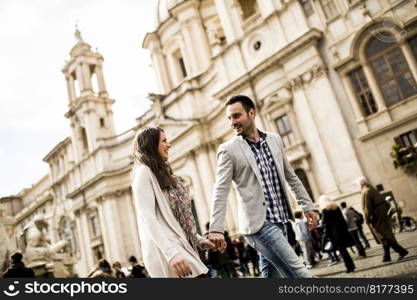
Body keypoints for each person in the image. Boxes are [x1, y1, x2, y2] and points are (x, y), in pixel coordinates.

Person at [208, 95, 318, 278]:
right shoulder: (228, 149)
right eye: (229, 118)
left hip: (281, 220)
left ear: (252, 113)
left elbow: (291, 176)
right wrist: (216, 228)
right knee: (299, 273)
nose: (232, 123)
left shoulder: (274, 140)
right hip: (259, 225)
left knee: (270, 276)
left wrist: (308, 206)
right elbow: (220, 190)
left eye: (236, 116)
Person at [131, 127, 215, 278]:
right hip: (168, 252)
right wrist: (171, 254)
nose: (168, 145)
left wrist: (199, 240)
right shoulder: (143, 172)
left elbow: (174, 220)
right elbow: (147, 216)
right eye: (163, 141)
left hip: (178, 246)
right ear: (151, 145)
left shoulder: (161, 172)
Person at [357, 177, 408, 262]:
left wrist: (367, 218)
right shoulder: (372, 189)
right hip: (382, 213)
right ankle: (386, 256)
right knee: (384, 234)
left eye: (358, 185)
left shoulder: (365, 192)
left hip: (376, 215)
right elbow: (385, 202)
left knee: (382, 234)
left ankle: (401, 251)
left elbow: (367, 207)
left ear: (361, 184)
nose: (358, 186)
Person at [319, 195, 355, 273]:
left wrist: (326, 234)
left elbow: (326, 224)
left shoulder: (325, 210)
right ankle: (351, 266)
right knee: (344, 250)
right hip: (342, 231)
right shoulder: (336, 207)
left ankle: (349, 267)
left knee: (342, 251)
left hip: (334, 234)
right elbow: (342, 220)